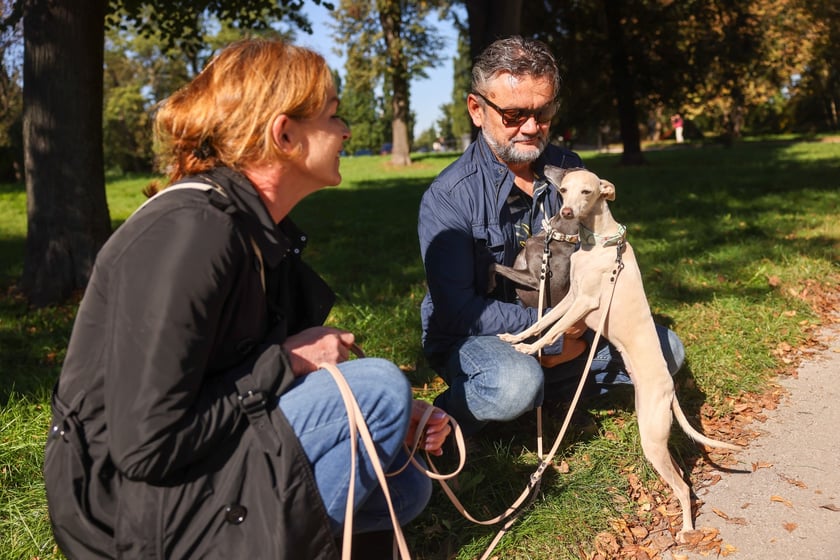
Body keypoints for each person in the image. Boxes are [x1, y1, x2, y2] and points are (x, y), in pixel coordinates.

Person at [45, 39, 450, 560]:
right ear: (284, 133)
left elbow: (242, 374)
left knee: (404, 478)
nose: (346, 129)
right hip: (127, 511)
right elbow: (144, 446)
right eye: (332, 115)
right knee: (377, 386)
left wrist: (387, 417)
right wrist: (289, 362)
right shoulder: (190, 233)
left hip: (183, 472)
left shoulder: (252, 229)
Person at [417, 36, 685, 436]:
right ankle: (442, 418)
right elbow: (459, 311)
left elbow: (600, 252)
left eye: (543, 113)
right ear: (477, 109)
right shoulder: (448, 197)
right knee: (514, 382)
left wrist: (572, 328)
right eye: (513, 115)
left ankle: (535, 395)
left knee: (668, 350)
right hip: (479, 336)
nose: (530, 127)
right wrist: (555, 337)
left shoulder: (569, 168)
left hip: (568, 324)